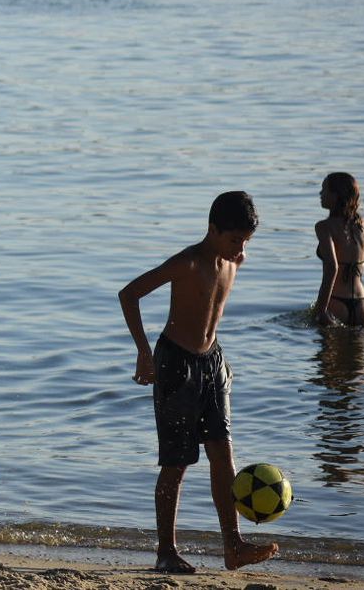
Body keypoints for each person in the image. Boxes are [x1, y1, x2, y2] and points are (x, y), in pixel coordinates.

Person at [118, 191, 278, 573]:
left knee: (223, 454)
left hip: (213, 361)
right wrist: (143, 352)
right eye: (233, 239)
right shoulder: (187, 262)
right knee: (176, 463)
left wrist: (239, 250)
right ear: (212, 229)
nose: (240, 248)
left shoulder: (234, 257)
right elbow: (129, 294)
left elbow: (237, 259)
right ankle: (166, 552)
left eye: (245, 241)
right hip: (176, 364)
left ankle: (233, 545)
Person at [313, 172, 364, 327]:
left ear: (336, 196)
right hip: (362, 306)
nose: (320, 194)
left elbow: (332, 267)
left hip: (336, 303)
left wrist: (321, 311)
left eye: (324, 190)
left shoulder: (324, 227)